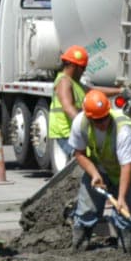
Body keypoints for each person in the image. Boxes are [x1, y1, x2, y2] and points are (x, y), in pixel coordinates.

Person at [69, 89, 131, 253]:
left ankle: (126, 248)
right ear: (89, 117)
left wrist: (121, 198)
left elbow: (127, 165)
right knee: (86, 209)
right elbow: (78, 153)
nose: (102, 123)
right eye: (97, 120)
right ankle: (79, 245)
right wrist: (94, 174)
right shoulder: (80, 124)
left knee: (125, 213)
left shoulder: (123, 130)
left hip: (127, 169)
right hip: (99, 167)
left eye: (104, 118)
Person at [47, 44, 88, 173]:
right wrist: (86, 127)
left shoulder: (74, 82)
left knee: (83, 164)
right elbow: (68, 107)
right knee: (80, 165)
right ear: (74, 66)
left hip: (71, 132)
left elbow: (93, 90)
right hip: (66, 132)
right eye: (83, 68)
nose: (84, 71)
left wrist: (119, 91)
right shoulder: (64, 82)